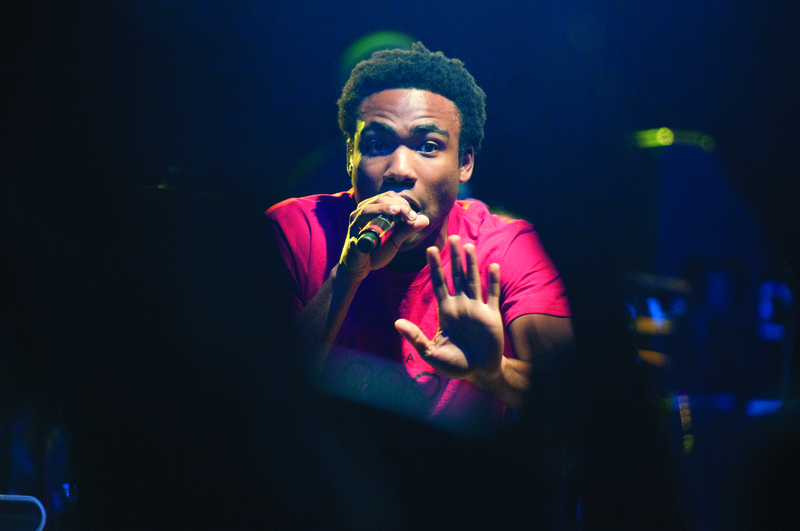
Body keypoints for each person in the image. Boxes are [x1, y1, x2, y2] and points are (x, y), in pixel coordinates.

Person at [266, 42, 572, 434]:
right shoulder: (294, 229)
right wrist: (346, 276)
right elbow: (247, 391)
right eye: (377, 145)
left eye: (428, 146)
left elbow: (575, 404)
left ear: (465, 163)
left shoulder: (507, 247)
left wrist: (493, 373)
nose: (399, 170)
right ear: (349, 156)